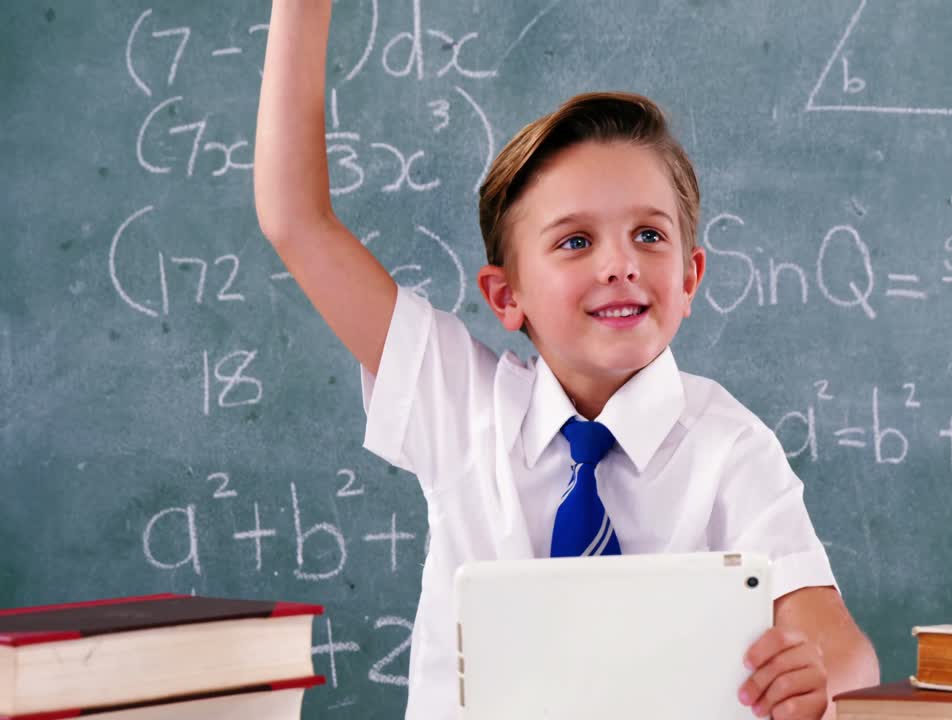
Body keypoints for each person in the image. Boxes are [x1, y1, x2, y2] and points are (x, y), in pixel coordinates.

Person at [254, 2, 879, 718]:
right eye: (575, 242)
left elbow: (844, 653)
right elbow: (295, 221)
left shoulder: (729, 448)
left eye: (649, 235)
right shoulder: (459, 407)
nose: (620, 264)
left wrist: (817, 680)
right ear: (506, 295)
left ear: (689, 278)